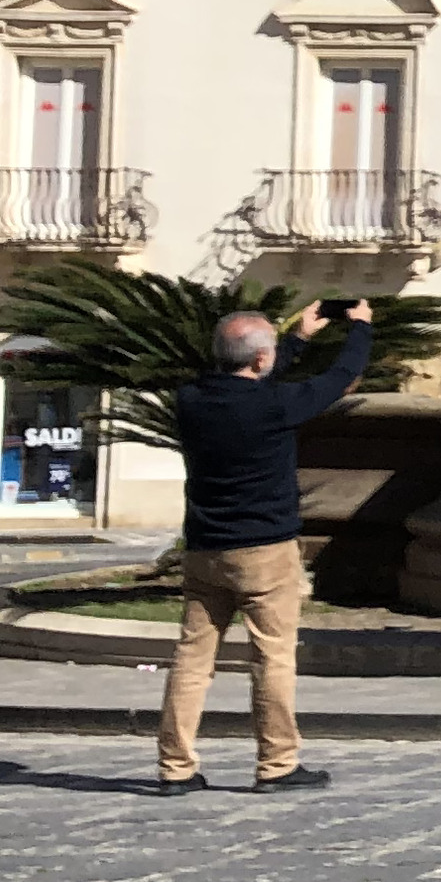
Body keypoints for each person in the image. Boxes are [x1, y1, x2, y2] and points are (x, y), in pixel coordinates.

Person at [156, 298, 372, 794]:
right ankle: (277, 764)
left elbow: (244, 387)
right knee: (273, 657)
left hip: (205, 547)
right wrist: (358, 328)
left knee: (192, 659)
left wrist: (295, 341)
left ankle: (175, 767)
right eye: (269, 351)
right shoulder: (275, 405)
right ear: (258, 359)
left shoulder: (190, 400)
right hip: (265, 551)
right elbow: (341, 377)